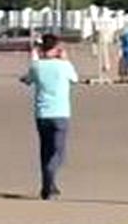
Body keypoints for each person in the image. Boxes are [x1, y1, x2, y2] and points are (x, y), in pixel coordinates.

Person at [19, 33, 79, 200]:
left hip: (42, 114)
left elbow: (27, 79)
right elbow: (74, 79)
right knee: (58, 153)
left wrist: (35, 57)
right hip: (60, 113)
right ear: (55, 49)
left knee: (45, 151)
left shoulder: (37, 66)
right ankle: (50, 178)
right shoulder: (64, 66)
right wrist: (65, 60)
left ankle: (48, 187)